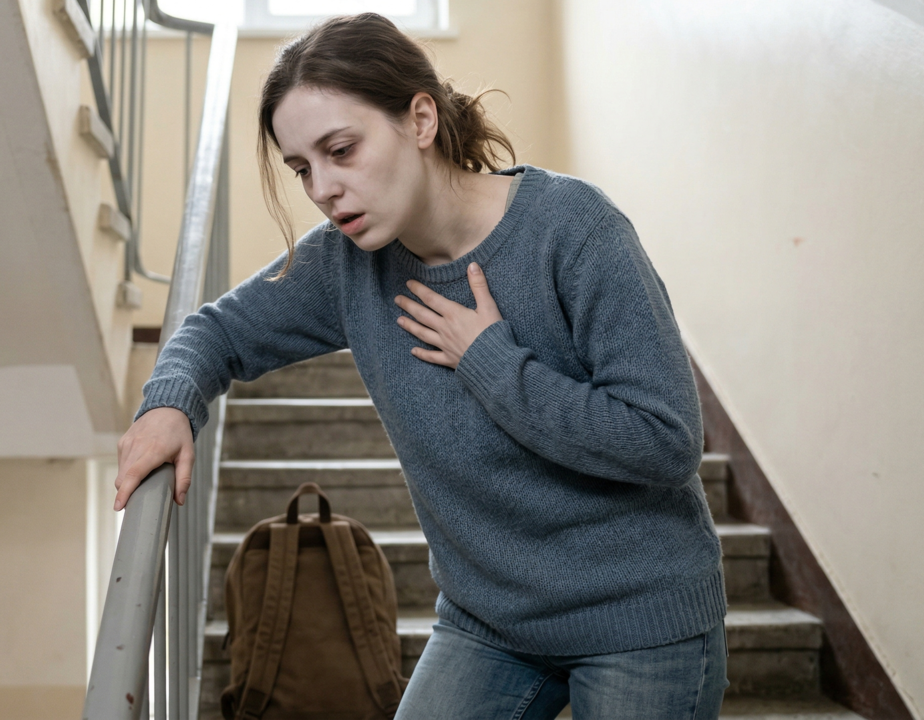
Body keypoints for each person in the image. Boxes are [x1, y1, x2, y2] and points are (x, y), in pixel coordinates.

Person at [114, 12, 729, 720]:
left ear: (421, 119)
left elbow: (667, 439)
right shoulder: (345, 265)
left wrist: (494, 364)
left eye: (341, 149)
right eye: (302, 168)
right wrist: (168, 401)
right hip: (490, 624)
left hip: (641, 621)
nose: (322, 188)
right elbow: (215, 330)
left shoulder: (574, 229)